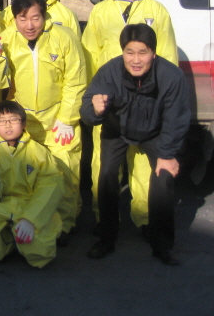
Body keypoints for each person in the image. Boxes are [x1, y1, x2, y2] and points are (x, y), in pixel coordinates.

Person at [81, 0, 178, 231]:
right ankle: (105, 220)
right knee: (107, 165)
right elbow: (89, 55)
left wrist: (162, 98)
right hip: (111, 101)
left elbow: (168, 56)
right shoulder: (100, 12)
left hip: (146, 100)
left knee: (144, 166)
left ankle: (147, 219)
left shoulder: (156, 10)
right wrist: (91, 100)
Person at [81, 24, 189, 265]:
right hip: (116, 129)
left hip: (155, 132)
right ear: (122, 52)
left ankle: (162, 245)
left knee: (162, 179)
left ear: (154, 53)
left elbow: (177, 118)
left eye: (143, 52)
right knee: (106, 176)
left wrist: (168, 154)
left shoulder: (171, 76)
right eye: (130, 52)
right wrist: (95, 111)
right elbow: (87, 109)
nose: (136, 59)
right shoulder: (109, 72)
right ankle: (106, 238)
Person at [0, 0, 86, 242]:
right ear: (14, 19)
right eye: (22, 18)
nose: (29, 25)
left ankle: (63, 227)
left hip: (57, 118)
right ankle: (25, 222)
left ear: (44, 16)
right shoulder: (6, 39)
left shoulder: (64, 38)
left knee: (64, 172)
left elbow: (76, 80)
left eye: (35, 18)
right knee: (24, 173)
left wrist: (67, 119)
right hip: (24, 120)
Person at [0, 101, 64, 268]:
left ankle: (21, 239)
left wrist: (31, 219)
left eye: (13, 120)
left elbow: (50, 187)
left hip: (30, 204)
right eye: (1, 121)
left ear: (23, 123)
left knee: (41, 253)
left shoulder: (39, 152)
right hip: (0, 205)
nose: (8, 125)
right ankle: (5, 245)